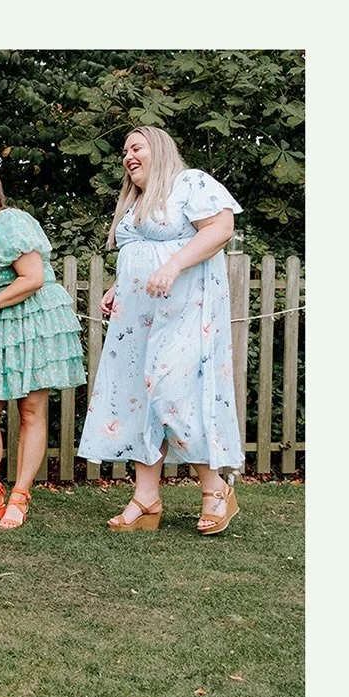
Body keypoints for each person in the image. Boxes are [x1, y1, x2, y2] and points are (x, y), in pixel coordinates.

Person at [78, 126, 244, 534]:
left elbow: (220, 229)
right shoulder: (136, 202)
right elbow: (141, 252)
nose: (127, 156)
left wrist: (172, 267)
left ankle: (216, 488)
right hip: (137, 319)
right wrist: (120, 288)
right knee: (137, 400)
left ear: (161, 149)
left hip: (185, 313)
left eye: (136, 147)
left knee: (172, 393)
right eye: (124, 150)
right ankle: (146, 497)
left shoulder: (191, 183)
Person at [0, 164, 86, 529]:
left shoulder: (9, 222)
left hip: (32, 321)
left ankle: (20, 496)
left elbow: (34, 277)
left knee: (30, 411)